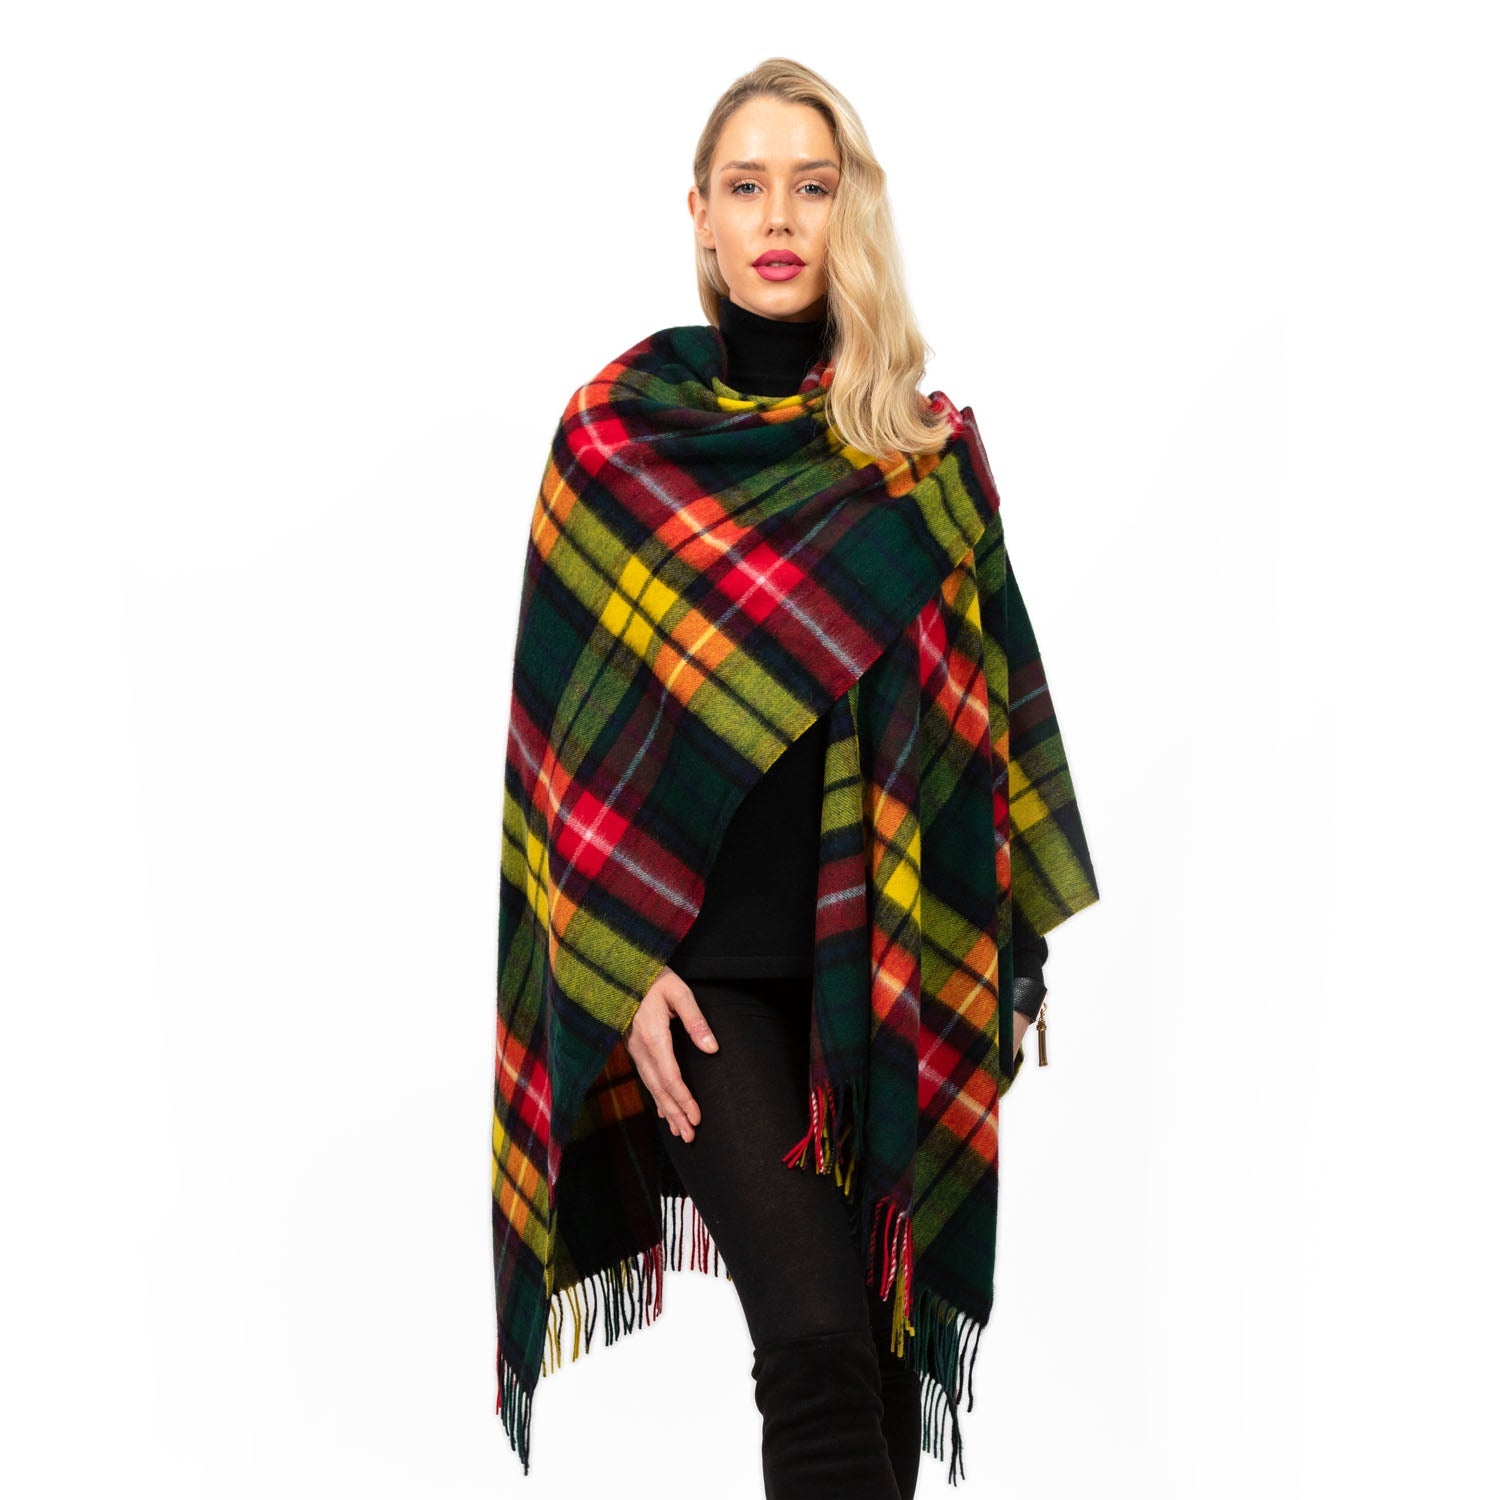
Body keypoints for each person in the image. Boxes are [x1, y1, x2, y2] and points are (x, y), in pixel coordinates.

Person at [491, 56, 1099, 1499]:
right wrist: (617, 963)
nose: (778, 218)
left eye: (811, 187)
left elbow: (989, 734)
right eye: (747, 186)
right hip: (704, 989)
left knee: (879, 1388)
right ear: (700, 218)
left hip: (878, 979)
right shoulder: (615, 444)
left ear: (850, 212)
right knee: (818, 1358)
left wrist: (993, 955)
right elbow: (557, 760)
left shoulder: (922, 460)